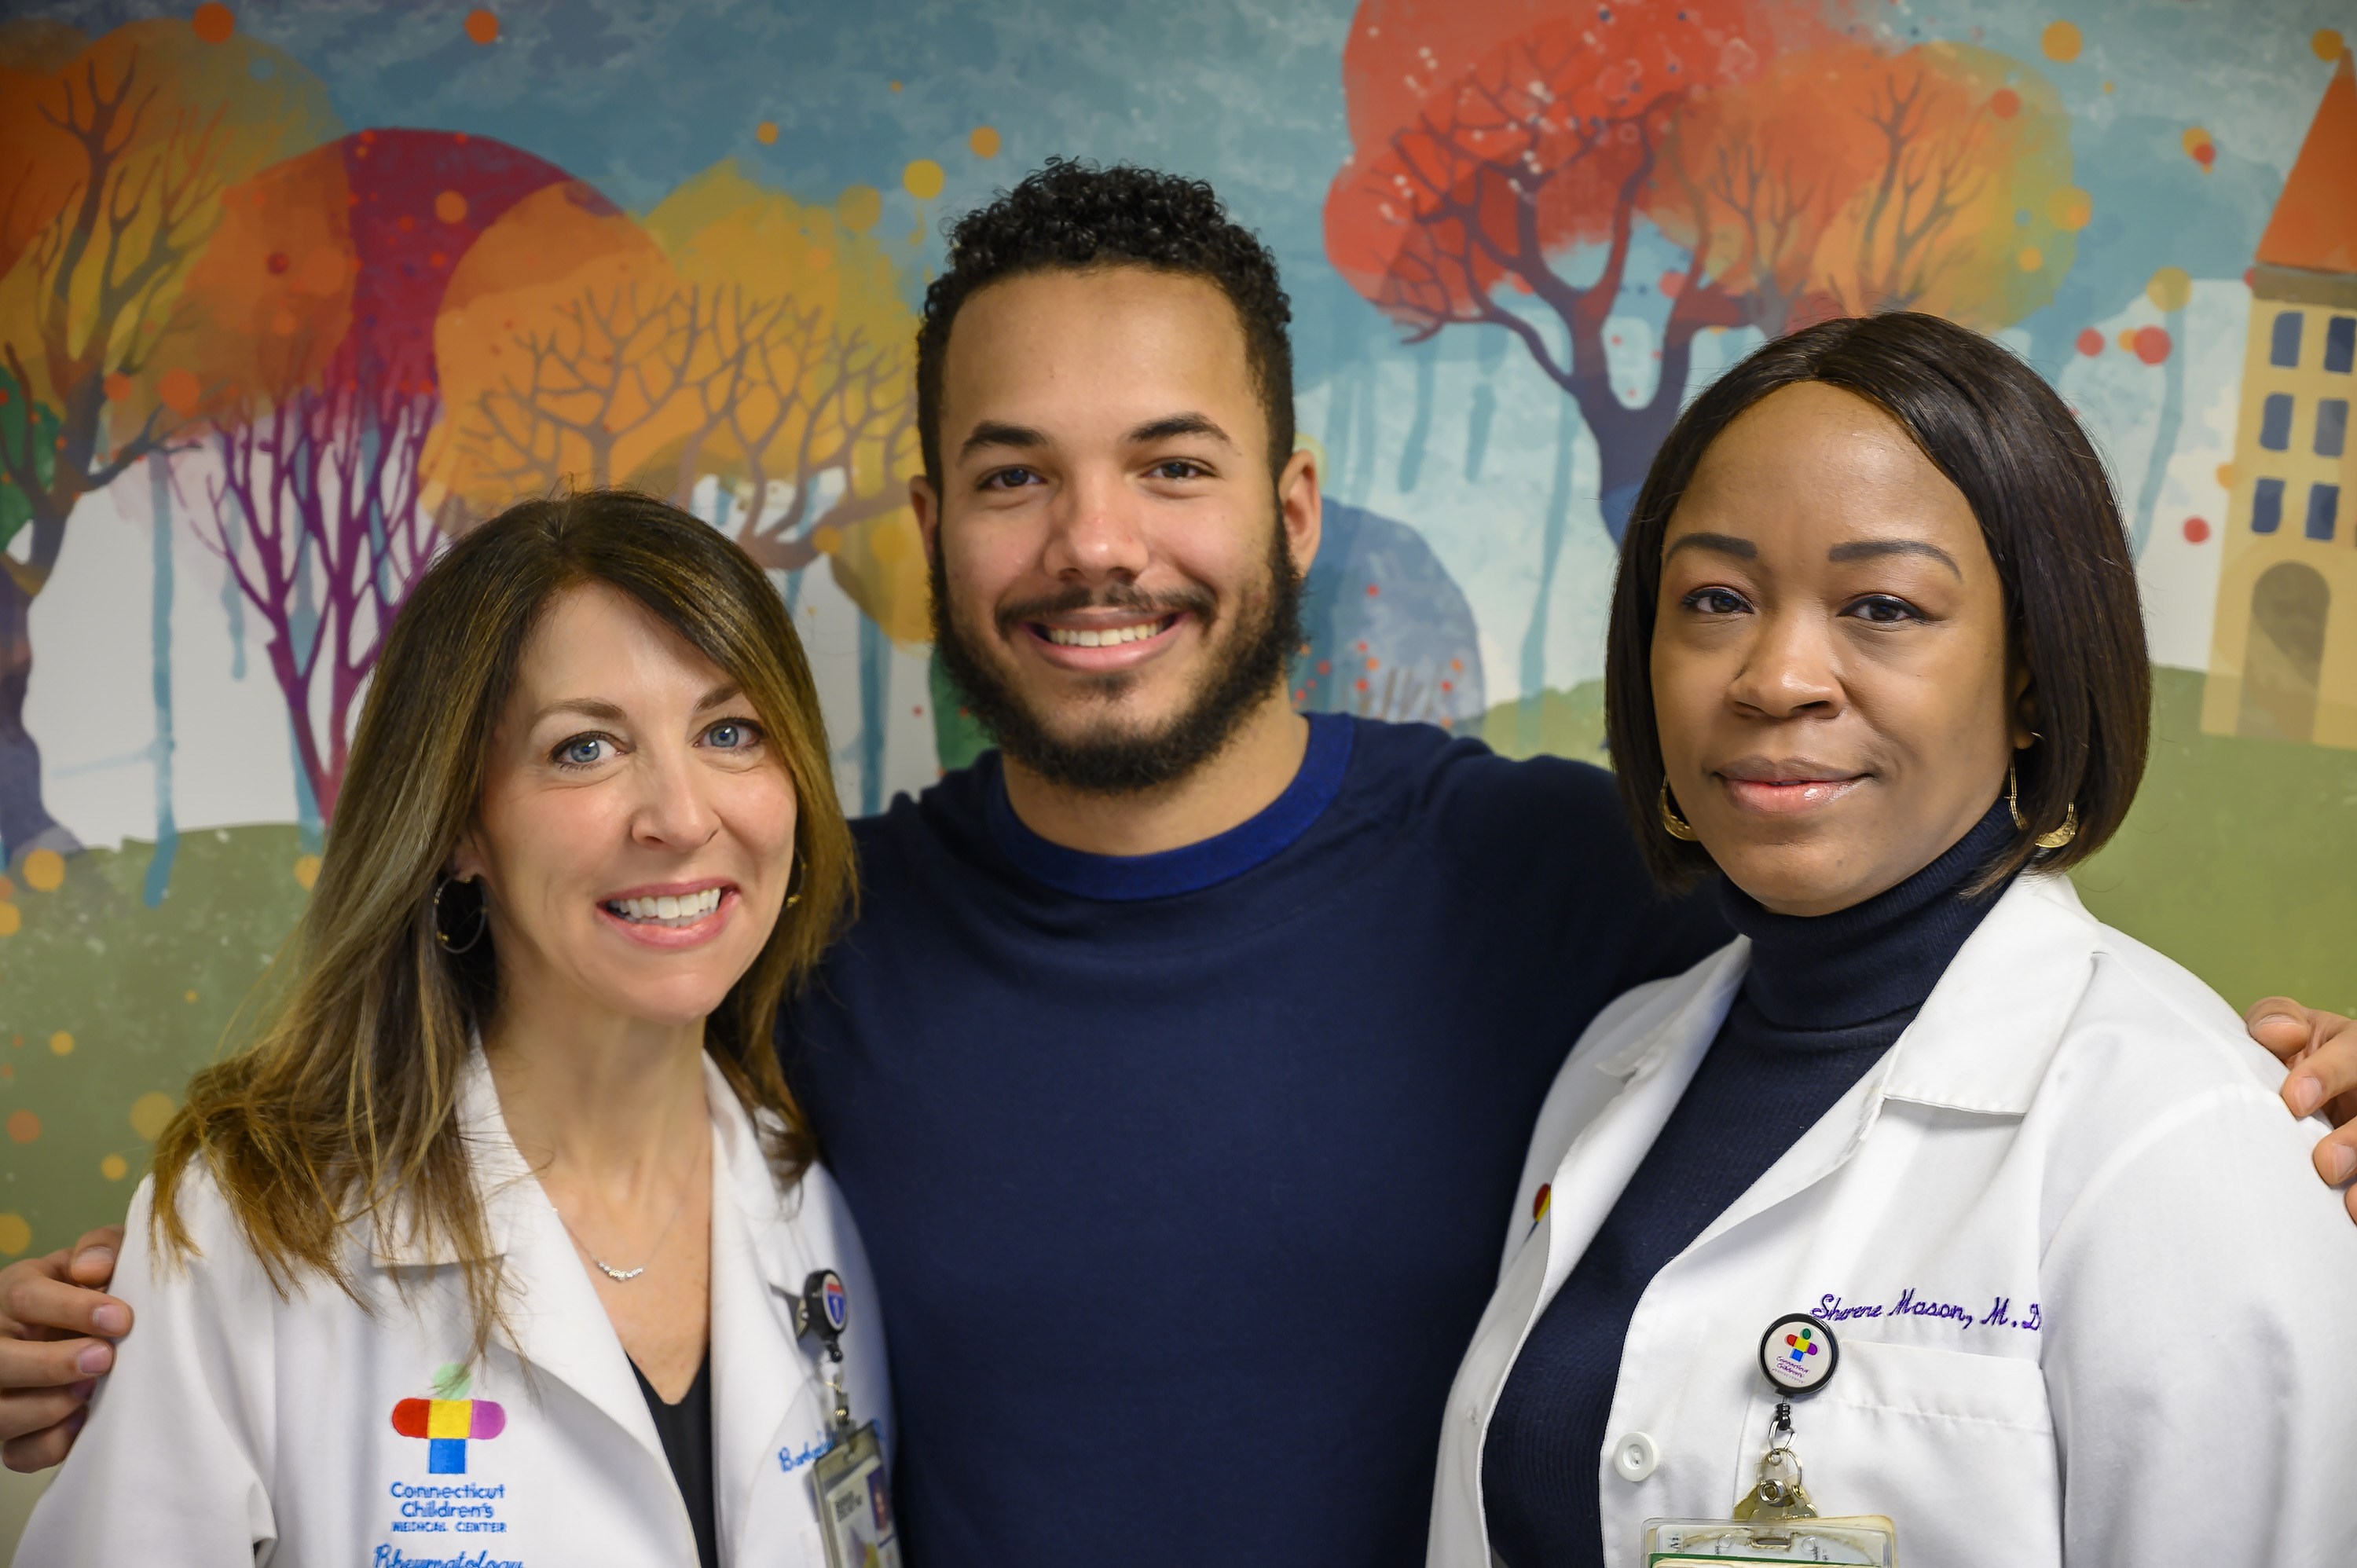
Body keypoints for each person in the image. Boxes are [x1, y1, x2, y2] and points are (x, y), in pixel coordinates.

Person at [6, 164, 2355, 1566]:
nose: (1096, 545)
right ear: (931, 537)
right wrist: (144, 1310)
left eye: (1173, 464)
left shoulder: (1581, 893)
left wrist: (2304, 1113)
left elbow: (1975, 1022)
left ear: (1294, 514)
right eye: (1016, 476)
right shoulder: (799, 935)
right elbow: (464, 1145)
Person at [1431, 313, 2357, 1568]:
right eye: (1714, 598)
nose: (1777, 676)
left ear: (2031, 672)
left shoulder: (2179, 1134)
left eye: (1882, 605)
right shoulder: (1614, 1065)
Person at [16, 493, 889, 1566]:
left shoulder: (814, 1202)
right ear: (461, 825)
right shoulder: (248, 1230)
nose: (682, 814)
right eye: (584, 750)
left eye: (730, 731)